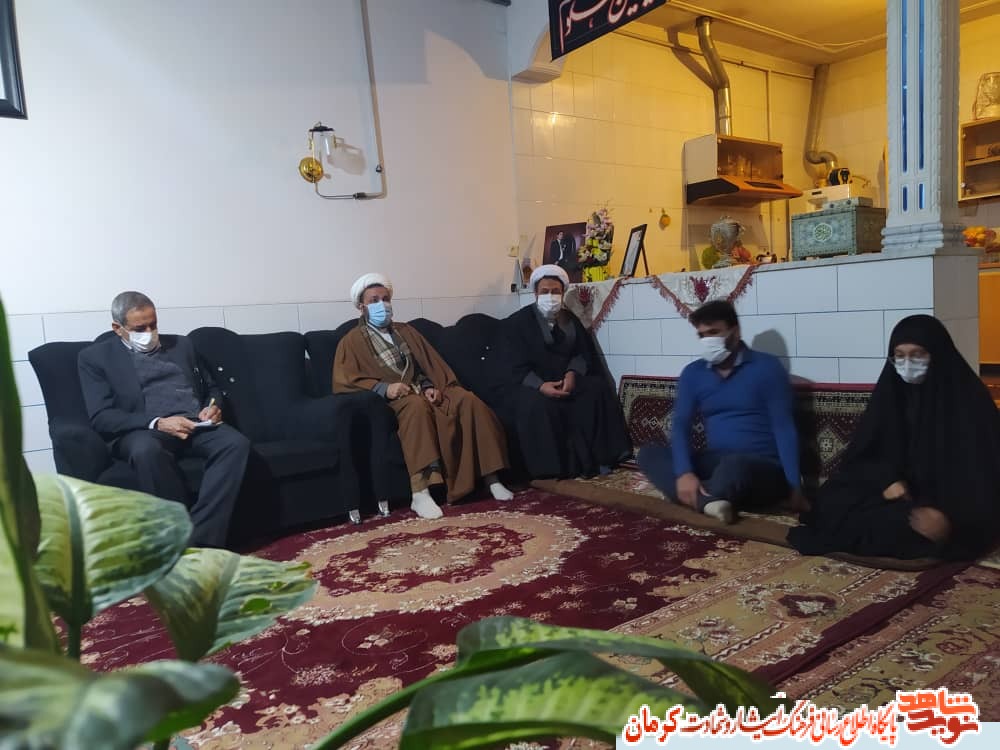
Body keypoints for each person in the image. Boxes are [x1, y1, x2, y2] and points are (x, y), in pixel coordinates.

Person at [787, 315, 1000, 560]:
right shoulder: (892, 393)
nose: (907, 364)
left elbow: (982, 478)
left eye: (917, 355)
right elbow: (865, 454)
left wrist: (949, 517)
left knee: (911, 527)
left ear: (938, 354)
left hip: (946, 502)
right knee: (832, 499)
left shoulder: (969, 402)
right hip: (896, 494)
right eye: (899, 356)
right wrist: (887, 480)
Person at [333, 273, 513, 519]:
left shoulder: (406, 331)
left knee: (466, 399)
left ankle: (491, 477)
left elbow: (423, 366)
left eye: (385, 299)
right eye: (374, 300)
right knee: (415, 406)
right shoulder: (351, 341)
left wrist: (430, 386)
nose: (382, 305)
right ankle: (420, 492)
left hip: (420, 391)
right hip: (393, 403)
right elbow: (346, 381)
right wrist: (384, 389)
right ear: (361, 306)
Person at [78, 291, 250, 548]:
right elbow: (102, 416)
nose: (149, 333)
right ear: (117, 328)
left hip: (195, 421)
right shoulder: (95, 358)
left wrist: (212, 407)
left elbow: (212, 389)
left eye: (153, 324)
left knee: (235, 444)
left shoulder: (183, 345)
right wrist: (158, 422)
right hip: (145, 429)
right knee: (146, 451)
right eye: (139, 328)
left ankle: (198, 540)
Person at [638, 299, 804, 524]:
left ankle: (702, 497)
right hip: (715, 460)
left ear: (735, 332)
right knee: (648, 454)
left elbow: (784, 427)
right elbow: (681, 425)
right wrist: (685, 472)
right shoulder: (693, 373)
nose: (707, 340)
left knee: (733, 467)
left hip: (760, 467)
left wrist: (794, 487)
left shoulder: (767, 368)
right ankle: (710, 501)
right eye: (702, 335)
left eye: (714, 332)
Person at [504, 264, 631, 478]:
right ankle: (558, 469)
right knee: (538, 405)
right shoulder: (518, 323)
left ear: (563, 293)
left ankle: (603, 457)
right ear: (535, 294)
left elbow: (582, 353)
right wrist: (540, 386)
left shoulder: (569, 319)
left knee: (596, 388)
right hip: (534, 385)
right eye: (545, 291)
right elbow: (512, 364)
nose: (550, 296)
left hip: (567, 380)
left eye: (555, 291)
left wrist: (572, 374)